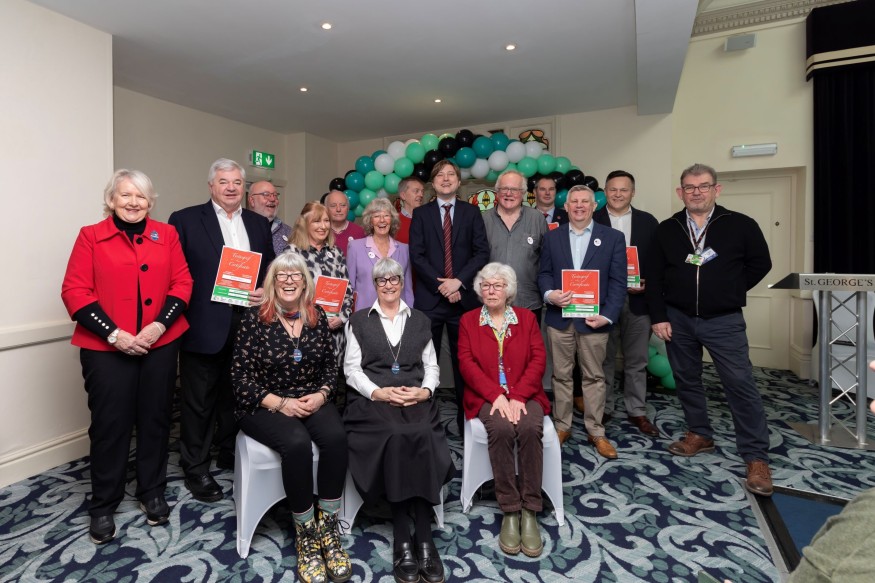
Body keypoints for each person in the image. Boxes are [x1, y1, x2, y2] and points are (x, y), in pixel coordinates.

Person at [61, 170, 193, 544]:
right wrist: (114, 334)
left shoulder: (166, 235)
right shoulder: (90, 236)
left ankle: (152, 491)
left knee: (156, 420)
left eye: (141, 196)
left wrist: (158, 327)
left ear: (150, 202)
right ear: (111, 200)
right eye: (125, 195)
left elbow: (182, 283)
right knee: (110, 427)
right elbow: (74, 291)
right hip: (106, 349)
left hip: (159, 345)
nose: (133, 202)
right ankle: (104, 504)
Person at [647, 163, 773, 496]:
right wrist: (659, 316)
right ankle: (699, 433)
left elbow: (761, 263)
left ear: (717, 189)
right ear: (680, 192)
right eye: (690, 187)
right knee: (687, 379)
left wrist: (731, 289)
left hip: (724, 320)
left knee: (740, 384)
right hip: (678, 318)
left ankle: (756, 456)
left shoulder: (740, 224)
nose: (697, 192)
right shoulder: (668, 229)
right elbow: (654, 276)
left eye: (703, 186)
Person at [232, 252, 350, 583]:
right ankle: (306, 535)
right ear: (272, 282)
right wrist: (281, 403)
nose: (288, 281)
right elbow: (240, 378)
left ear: (304, 282)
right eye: (281, 275)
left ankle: (328, 528)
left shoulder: (317, 315)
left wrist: (322, 395)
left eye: (295, 275)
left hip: (311, 398)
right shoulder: (254, 318)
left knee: (337, 439)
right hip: (264, 403)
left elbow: (330, 367)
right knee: (297, 443)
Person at [168, 158, 275, 502]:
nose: (231, 188)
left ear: (244, 187)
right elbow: (175, 273)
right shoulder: (184, 220)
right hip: (204, 323)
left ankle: (229, 450)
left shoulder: (258, 223)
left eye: (237, 182)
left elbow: (269, 267)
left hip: (248, 324)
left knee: (237, 394)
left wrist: (265, 288)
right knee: (198, 401)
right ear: (211, 186)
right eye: (223, 182)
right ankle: (195, 467)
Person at [343, 258, 451, 583]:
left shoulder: (420, 320)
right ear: (374, 285)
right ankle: (404, 531)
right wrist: (378, 393)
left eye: (394, 279)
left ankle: (424, 535)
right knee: (395, 434)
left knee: (422, 432)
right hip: (372, 401)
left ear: (402, 283)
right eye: (382, 280)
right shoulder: (359, 321)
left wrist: (425, 392)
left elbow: (431, 366)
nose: (388, 285)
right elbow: (351, 370)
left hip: (415, 398)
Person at [458, 263, 550, 558]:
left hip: (525, 393)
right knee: (499, 428)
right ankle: (510, 508)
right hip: (486, 396)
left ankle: (530, 508)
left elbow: (538, 359)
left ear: (508, 290)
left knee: (529, 427)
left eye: (497, 285)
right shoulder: (468, 320)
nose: (491, 291)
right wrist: (496, 395)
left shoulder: (526, 318)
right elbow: (466, 364)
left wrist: (518, 396)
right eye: (486, 285)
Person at [538, 185, 627, 458]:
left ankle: (596, 431)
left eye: (584, 201)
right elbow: (544, 273)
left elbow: (618, 281)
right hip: (560, 319)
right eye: (574, 201)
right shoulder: (552, 237)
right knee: (561, 376)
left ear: (593, 206)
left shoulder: (613, 237)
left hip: (594, 320)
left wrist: (607, 315)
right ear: (566, 207)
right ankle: (562, 426)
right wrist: (550, 294)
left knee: (594, 377)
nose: (579, 206)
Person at [409, 159, 491, 436]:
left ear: (458, 181)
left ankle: (465, 422)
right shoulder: (421, 214)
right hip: (430, 301)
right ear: (433, 183)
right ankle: (425, 423)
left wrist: (458, 283)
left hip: (464, 301)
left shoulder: (472, 212)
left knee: (465, 364)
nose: (446, 179)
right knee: (425, 364)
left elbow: (481, 252)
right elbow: (417, 255)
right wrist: (442, 286)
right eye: (440, 175)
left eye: (451, 175)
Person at [593, 170, 660, 437]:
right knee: (603, 359)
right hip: (603, 303)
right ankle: (604, 407)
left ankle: (637, 410)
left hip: (638, 301)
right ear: (605, 192)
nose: (618, 194)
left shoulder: (648, 222)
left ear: (633, 192)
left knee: (637, 360)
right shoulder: (592, 219)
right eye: (613, 189)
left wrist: (648, 283)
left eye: (624, 189)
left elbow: (657, 261)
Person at [288, 202, 355, 390]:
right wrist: (313, 316)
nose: (323, 226)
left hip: (335, 333)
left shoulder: (336, 253)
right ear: (304, 223)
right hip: (305, 331)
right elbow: (286, 294)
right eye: (317, 221)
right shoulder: (292, 253)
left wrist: (341, 318)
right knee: (307, 387)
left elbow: (348, 291)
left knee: (335, 387)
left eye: (326, 221)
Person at [482, 170, 547, 322]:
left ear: (523, 192)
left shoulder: (537, 219)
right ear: (497, 192)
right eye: (504, 188)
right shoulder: (482, 220)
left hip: (528, 301)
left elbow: (547, 259)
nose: (509, 193)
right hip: (491, 302)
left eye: (514, 189)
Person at [346, 198, 413, 311]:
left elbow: (407, 289)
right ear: (370, 221)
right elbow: (349, 287)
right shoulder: (355, 247)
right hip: (365, 313)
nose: (382, 220)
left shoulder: (404, 249)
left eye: (386, 215)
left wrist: (410, 314)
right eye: (376, 216)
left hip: (397, 313)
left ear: (392, 220)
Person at [248, 180, 292, 256]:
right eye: (266, 195)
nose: (272, 199)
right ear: (252, 201)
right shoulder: (241, 228)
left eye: (275, 195)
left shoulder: (289, 232)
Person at [325, 190, 365, 256]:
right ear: (326, 209)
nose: (338, 209)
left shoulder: (359, 232)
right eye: (333, 206)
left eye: (343, 205)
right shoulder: (321, 232)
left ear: (348, 208)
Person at [395, 177, 425, 244]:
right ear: (403, 195)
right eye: (416, 191)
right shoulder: (393, 221)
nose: (421, 195)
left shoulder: (428, 219)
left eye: (422, 191)